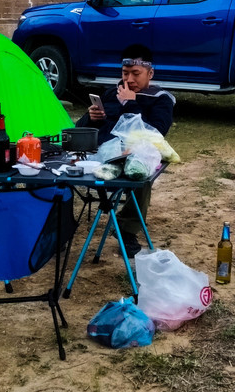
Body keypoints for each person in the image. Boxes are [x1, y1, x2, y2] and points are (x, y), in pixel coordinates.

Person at [75, 44, 175, 255]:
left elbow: (156, 133)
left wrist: (130, 104)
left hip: (135, 155)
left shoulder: (161, 99)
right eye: (125, 73)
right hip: (100, 154)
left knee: (140, 172)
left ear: (150, 73)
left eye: (136, 74)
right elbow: (81, 130)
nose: (129, 80)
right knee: (61, 169)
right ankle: (62, 223)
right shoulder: (112, 93)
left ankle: (127, 229)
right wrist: (91, 119)